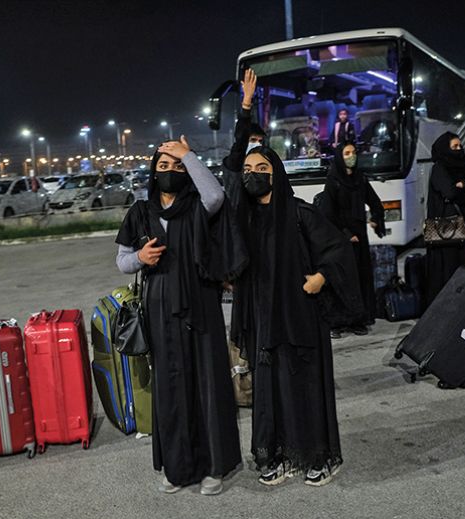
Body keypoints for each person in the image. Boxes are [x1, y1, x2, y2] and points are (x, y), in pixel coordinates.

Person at [115, 136, 245, 496]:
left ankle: (213, 467)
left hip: (200, 304)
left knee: (207, 385)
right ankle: (177, 467)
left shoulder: (196, 206)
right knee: (171, 389)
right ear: (153, 173)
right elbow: (122, 261)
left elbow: (217, 195)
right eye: (164, 166)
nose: (170, 171)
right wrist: (141, 259)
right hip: (160, 309)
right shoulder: (140, 213)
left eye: (177, 167)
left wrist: (188, 155)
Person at [230, 146, 363, 488]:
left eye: (261, 167)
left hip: (299, 316)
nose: (252, 173)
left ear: (276, 173)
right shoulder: (243, 220)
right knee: (269, 390)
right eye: (247, 168)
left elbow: (337, 249)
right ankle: (277, 455)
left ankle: (317, 456)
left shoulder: (299, 213)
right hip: (263, 319)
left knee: (303, 385)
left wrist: (321, 277)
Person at [314, 142, 385, 336]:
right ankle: (337, 322)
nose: (351, 156)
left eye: (353, 152)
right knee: (341, 279)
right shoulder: (333, 180)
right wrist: (346, 234)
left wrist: (376, 218)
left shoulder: (360, 178)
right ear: (339, 156)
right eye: (347, 153)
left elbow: (374, 200)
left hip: (359, 236)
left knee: (359, 278)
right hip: (339, 238)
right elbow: (328, 213)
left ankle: (357, 320)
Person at [425, 132, 465, 305]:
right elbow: (449, 192)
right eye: (454, 147)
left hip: (463, 222)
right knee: (449, 265)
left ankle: (463, 301)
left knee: (464, 262)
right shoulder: (439, 168)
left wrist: (463, 183)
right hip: (446, 225)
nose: (459, 150)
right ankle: (447, 303)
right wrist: (463, 184)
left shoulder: (460, 168)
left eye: (460, 146)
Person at [222, 69, 267, 195]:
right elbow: (241, 138)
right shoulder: (234, 164)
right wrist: (246, 103)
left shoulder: (267, 162)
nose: (257, 144)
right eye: (253, 140)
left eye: (260, 141)